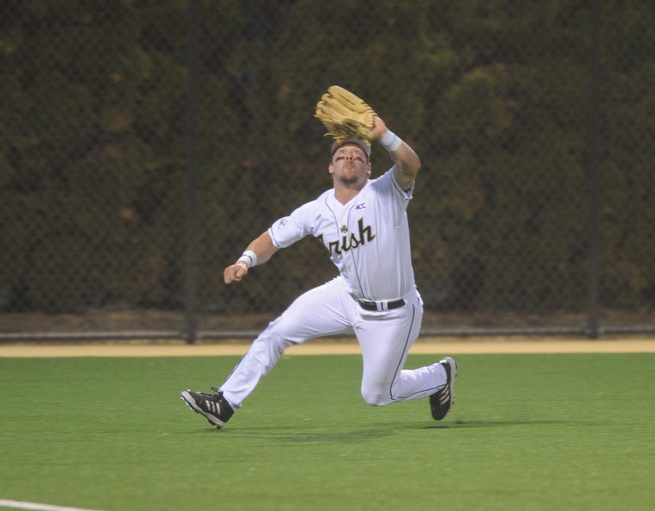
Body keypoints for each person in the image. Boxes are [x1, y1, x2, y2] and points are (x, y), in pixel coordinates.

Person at [181, 112, 457, 428]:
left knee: (377, 394)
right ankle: (225, 403)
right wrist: (245, 260)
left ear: (369, 166)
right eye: (341, 155)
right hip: (346, 294)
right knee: (278, 331)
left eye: (358, 155)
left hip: (395, 312)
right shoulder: (316, 210)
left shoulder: (387, 191)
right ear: (330, 167)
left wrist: (384, 136)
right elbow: (271, 239)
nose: (349, 158)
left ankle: (439, 375)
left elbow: (411, 166)